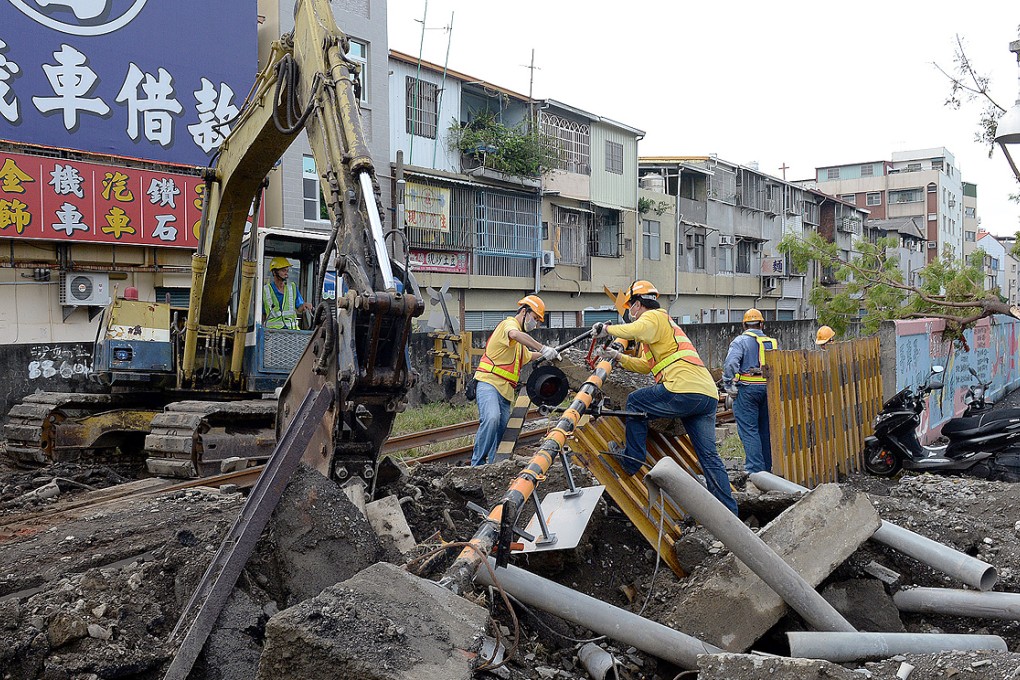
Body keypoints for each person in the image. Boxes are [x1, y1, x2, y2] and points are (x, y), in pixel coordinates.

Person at [592, 281, 738, 515]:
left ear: (637, 305)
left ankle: (631, 461)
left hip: (682, 389)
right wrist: (617, 356)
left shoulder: (655, 317)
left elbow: (635, 330)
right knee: (709, 457)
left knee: (636, 402)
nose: (631, 313)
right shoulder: (662, 330)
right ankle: (729, 514)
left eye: (631, 308)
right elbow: (645, 367)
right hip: (706, 395)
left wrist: (607, 330)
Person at [471, 295, 561, 466]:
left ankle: (493, 466)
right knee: (491, 419)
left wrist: (552, 353)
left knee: (502, 434)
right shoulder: (509, 325)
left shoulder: (519, 344)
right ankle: (477, 464)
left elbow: (529, 356)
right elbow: (515, 334)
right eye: (535, 318)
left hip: (505, 392)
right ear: (524, 311)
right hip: (489, 383)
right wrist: (542, 348)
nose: (536, 324)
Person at [722, 309, 778, 475]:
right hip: (768, 390)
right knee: (765, 430)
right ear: (761, 324)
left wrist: (728, 384)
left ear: (744, 325)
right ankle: (767, 470)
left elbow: (731, 363)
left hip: (747, 390)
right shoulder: (772, 342)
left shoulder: (740, 341)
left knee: (749, 431)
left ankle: (755, 472)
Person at [263, 256, 312, 330]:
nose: (286, 273)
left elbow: (299, 308)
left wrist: (305, 305)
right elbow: (262, 314)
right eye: (283, 271)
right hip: (272, 332)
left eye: (287, 270)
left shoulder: (292, 287)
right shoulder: (265, 290)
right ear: (274, 272)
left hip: (292, 331)